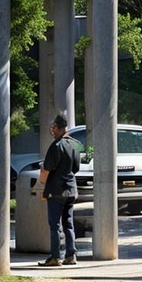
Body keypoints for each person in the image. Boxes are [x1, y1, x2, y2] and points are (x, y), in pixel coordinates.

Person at [38, 112, 80, 267]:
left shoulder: (56, 145)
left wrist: (42, 184)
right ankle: (71, 255)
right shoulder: (75, 144)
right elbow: (76, 168)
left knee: (55, 225)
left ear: (60, 128)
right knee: (68, 223)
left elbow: (47, 168)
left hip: (56, 190)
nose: (52, 130)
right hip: (71, 189)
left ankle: (56, 257)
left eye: (54, 127)